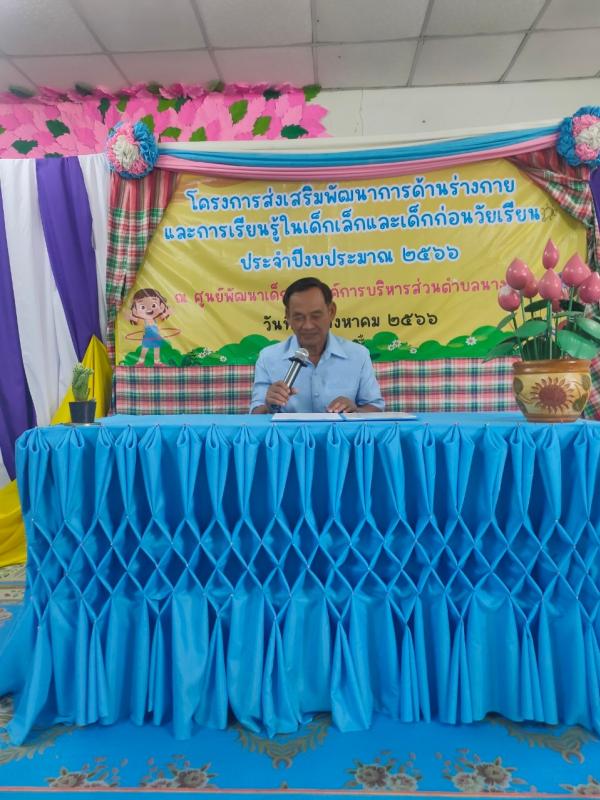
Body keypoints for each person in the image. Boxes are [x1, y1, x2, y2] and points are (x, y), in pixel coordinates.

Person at [250, 277, 384, 414]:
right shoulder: (268, 358)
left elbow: (376, 408)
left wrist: (355, 411)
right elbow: (255, 414)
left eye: (316, 316)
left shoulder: (359, 355)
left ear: (331, 311)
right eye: (298, 317)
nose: (308, 326)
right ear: (288, 316)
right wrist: (269, 405)